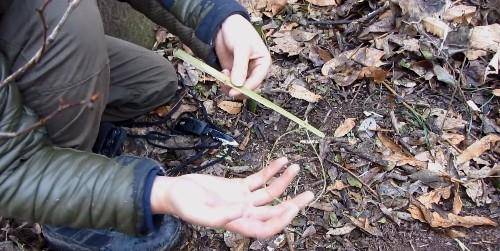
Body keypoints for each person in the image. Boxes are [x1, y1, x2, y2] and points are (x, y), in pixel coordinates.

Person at [0, 0, 314, 250]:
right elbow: (8, 169)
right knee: (68, 16)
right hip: (13, 124)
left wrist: (217, 18)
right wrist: (151, 192)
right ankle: (65, 216)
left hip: (21, 34)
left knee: (154, 81)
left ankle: (80, 131)